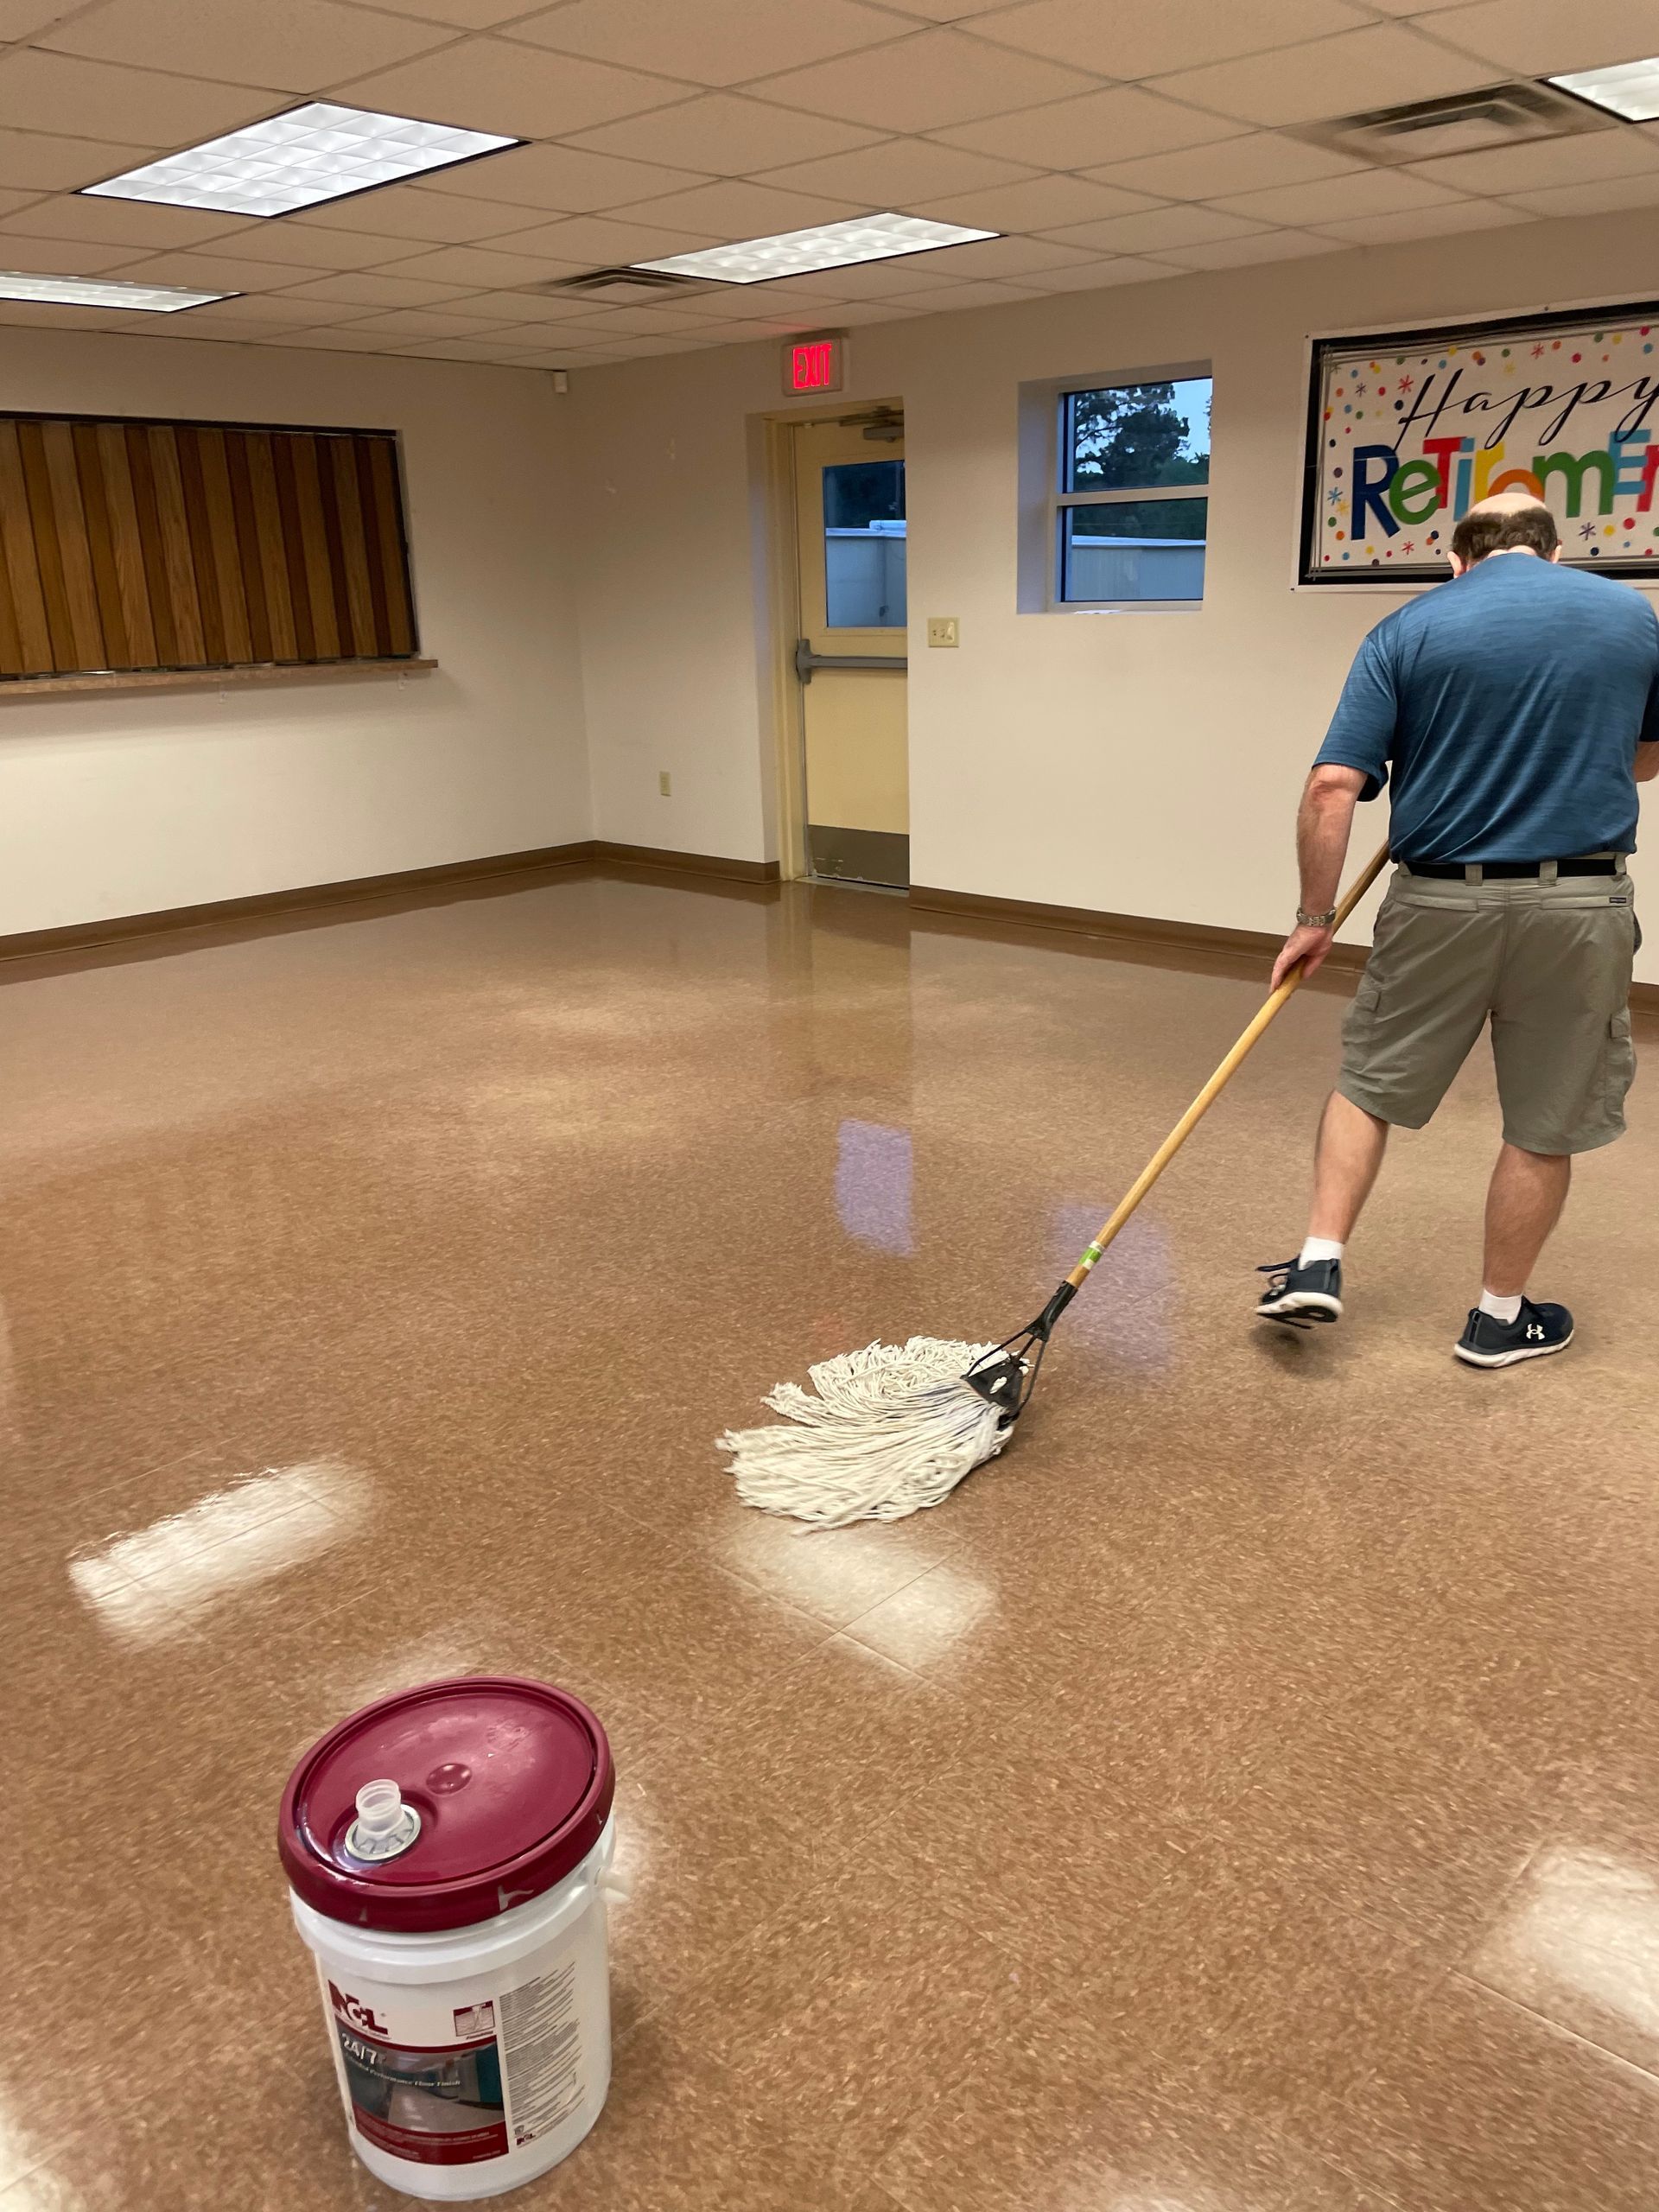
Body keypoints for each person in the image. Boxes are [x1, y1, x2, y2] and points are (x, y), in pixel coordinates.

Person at [1256, 490, 1659, 1365]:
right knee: (1545, 1117)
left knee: (1371, 1083)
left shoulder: (1410, 628)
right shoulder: (1635, 619)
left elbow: (1333, 787)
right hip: (1579, 903)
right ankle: (1497, 1318)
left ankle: (1320, 1261)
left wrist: (1313, 919)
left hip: (1439, 897)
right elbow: (1646, 756)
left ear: (1457, 558)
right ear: (1554, 553)